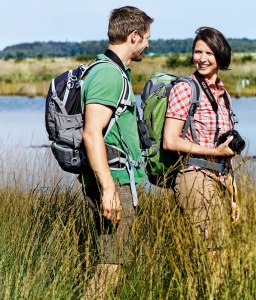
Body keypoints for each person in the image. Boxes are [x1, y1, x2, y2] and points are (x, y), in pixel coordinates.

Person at [80, 6, 152, 298]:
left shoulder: (113, 71)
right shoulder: (108, 75)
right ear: (134, 36)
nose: (147, 44)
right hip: (116, 182)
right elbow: (91, 132)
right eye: (146, 37)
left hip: (119, 180)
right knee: (110, 267)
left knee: (114, 263)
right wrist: (109, 189)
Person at [163, 27, 241, 285]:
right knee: (216, 252)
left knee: (214, 254)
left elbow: (225, 151)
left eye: (209, 52)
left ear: (221, 56)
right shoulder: (186, 89)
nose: (203, 58)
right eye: (198, 51)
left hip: (219, 179)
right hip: (193, 176)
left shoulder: (223, 94)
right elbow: (170, 141)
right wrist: (213, 152)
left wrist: (233, 196)